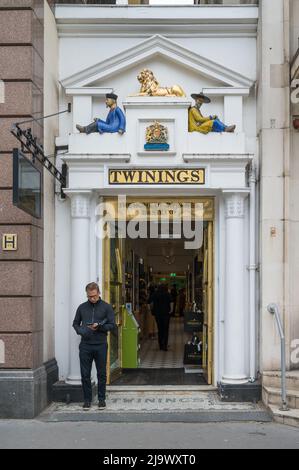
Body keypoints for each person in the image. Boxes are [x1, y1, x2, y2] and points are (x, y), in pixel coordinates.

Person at [73, 282, 116, 410]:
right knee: (85, 374)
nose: (92, 299)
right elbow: (75, 323)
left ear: (99, 293)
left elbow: (112, 325)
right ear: (87, 295)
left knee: (101, 373)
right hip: (85, 345)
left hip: (101, 345)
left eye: (94, 296)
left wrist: (100, 326)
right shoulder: (82, 307)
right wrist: (81, 331)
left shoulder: (107, 307)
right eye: (89, 296)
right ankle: (87, 400)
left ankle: (101, 399)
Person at [152, 284, 173, 351]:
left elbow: (150, 303)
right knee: (165, 329)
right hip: (166, 314)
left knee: (159, 329)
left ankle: (160, 345)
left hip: (157, 314)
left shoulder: (155, 294)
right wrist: (171, 310)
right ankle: (165, 346)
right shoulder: (168, 294)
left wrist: (153, 310)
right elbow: (171, 302)